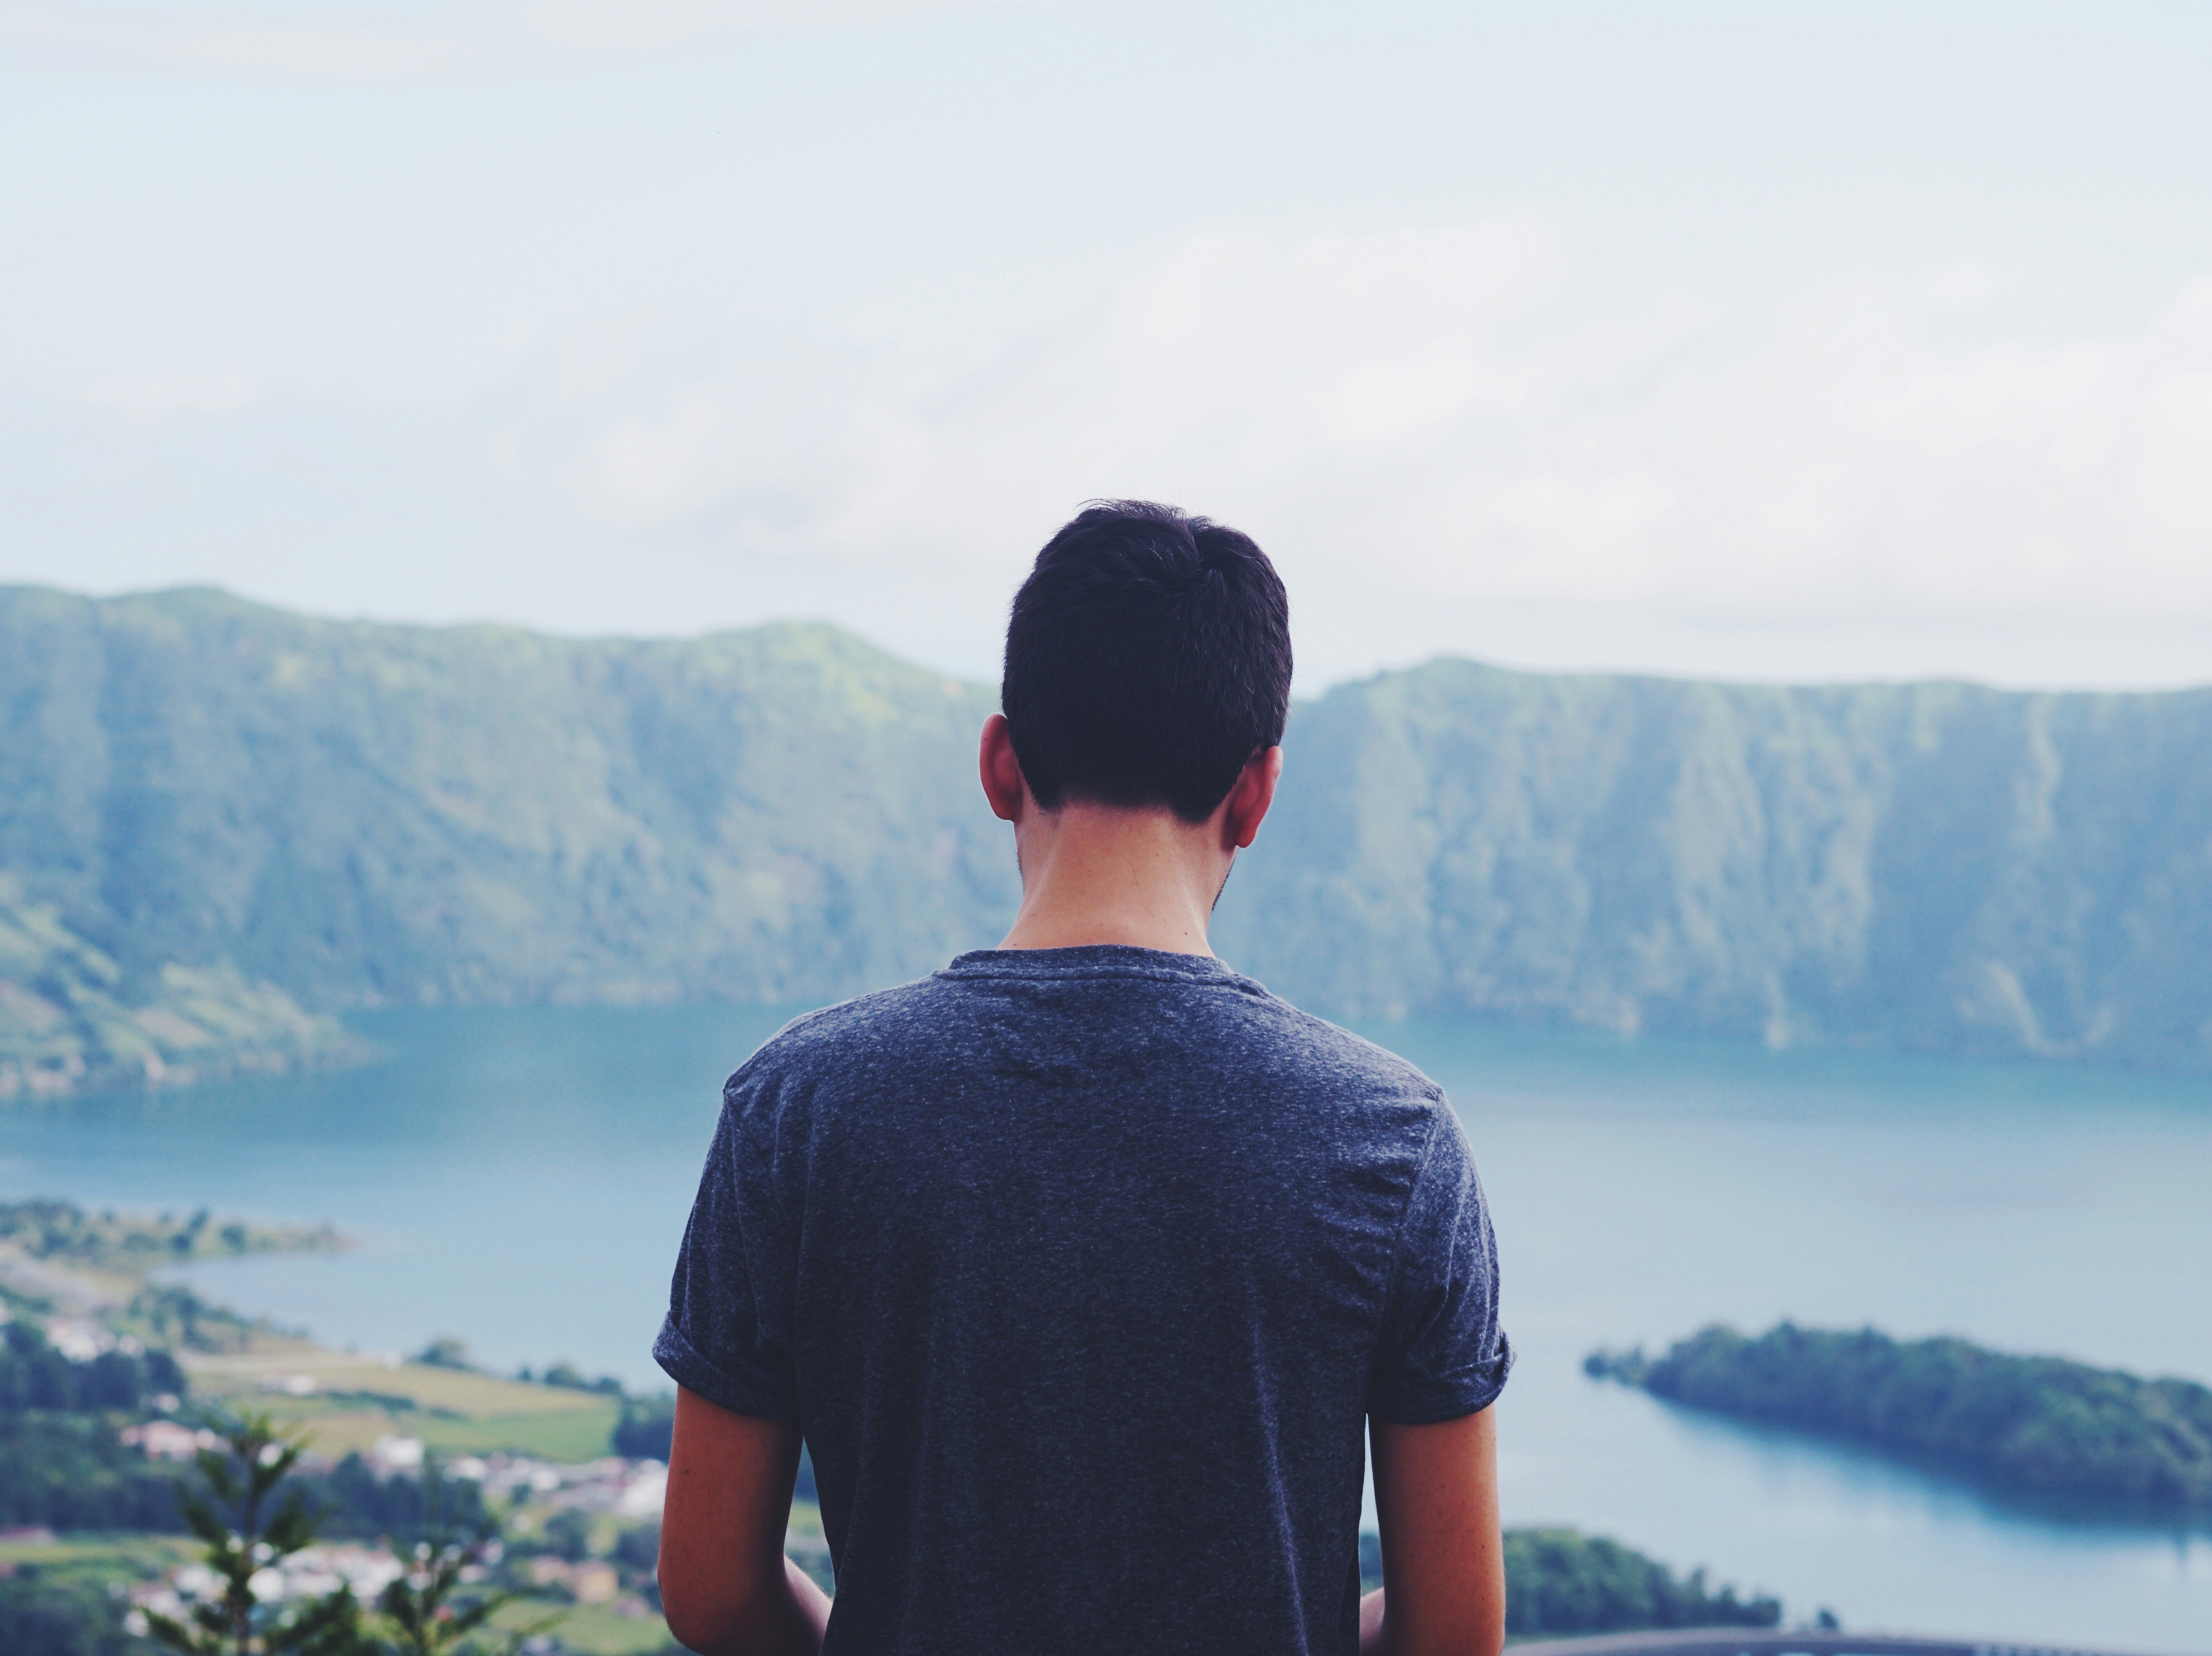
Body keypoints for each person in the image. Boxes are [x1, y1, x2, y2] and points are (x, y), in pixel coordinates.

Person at [654, 501, 1511, 1656]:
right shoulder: (1394, 1144)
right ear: (1256, 795)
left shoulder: (797, 1111)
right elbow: (1453, 1635)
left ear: (1001, 764)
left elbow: (711, 1588)